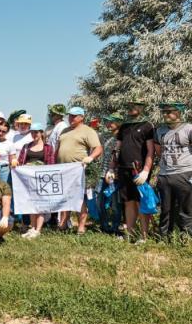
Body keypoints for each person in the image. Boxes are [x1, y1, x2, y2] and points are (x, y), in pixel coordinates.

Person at [107, 98, 154, 242]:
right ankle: (130, 233)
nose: (131, 107)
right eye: (130, 105)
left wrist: (146, 170)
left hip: (138, 170)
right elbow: (117, 149)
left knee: (141, 202)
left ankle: (144, 236)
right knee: (128, 202)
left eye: (135, 105)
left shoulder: (148, 125)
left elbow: (151, 151)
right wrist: (111, 168)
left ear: (142, 107)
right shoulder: (124, 126)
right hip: (123, 169)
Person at [56, 106, 103, 234]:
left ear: (81, 117)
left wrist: (90, 157)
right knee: (65, 197)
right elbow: (58, 149)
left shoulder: (88, 131)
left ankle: (81, 227)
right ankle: (63, 223)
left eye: (74, 116)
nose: (71, 118)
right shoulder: (64, 131)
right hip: (63, 170)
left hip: (78, 170)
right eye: (70, 116)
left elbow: (98, 148)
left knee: (80, 199)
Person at [154, 102, 192, 238]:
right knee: (165, 209)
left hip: (184, 173)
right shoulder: (159, 131)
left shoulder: (188, 129)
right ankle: (164, 237)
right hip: (165, 174)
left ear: (178, 112)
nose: (165, 114)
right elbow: (159, 151)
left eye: (169, 112)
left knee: (185, 208)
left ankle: (185, 237)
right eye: (164, 112)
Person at [16, 122, 55, 239]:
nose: (34, 134)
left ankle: (38, 229)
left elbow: (51, 163)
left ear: (41, 133)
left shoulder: (48, 148)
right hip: (28, 180)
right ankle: (32, 227)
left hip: (42, 180)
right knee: (31, 204)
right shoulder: (26, 146)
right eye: (32, 132)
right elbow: (20, 160)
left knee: (40, 204)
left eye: (36, 132)